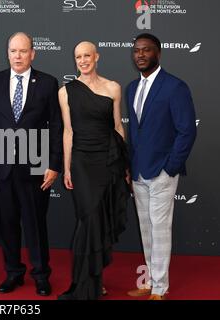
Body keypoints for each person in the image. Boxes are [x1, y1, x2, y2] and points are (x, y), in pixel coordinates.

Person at [0, 32, 62, 296]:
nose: (18, 56)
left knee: (35, 224)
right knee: (6, 224)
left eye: (23, 51)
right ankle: (13, 274)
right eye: (13, 51)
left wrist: (54, 164)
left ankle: (41, 275)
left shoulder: (48, 83)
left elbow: (57, 126)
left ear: (33, 53)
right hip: (2, 167)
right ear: (7, 53)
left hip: (36, 168)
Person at [126, 33, 196, 300]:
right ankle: (148, 282)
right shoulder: (132, 88)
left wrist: (171, 167)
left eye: (146, 50)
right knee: (145, 228)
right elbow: (136, 133)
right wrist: (130, 165)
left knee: (160, 229)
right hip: (138, 171)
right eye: (137, 51)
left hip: (162, 173)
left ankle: (160, 289)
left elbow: (187, 131)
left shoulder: (175, 87)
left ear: (158, 53)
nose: (140, 55)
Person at [57, 41, 129, 300]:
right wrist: (66, 169)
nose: (83, 60)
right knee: (88, 218)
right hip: (81, 163)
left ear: (96, 56)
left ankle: (96, 280)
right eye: (78, 57)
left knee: (98, 219)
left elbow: (118, 127)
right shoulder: (66, 92)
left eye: (87, 55)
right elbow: (68, 132)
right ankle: (84, 282)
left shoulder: (113, 88)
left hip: (108, 160)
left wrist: (125, 164)